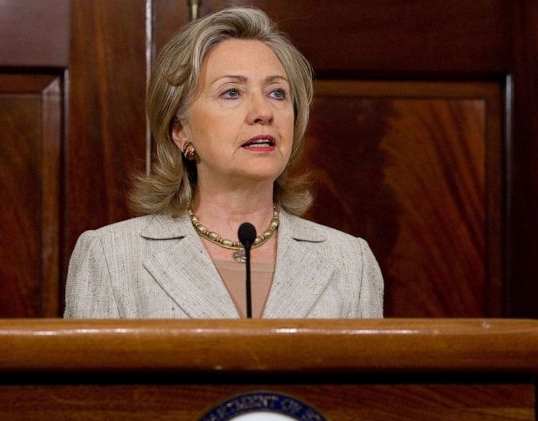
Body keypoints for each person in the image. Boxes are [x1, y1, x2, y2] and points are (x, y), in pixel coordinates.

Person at [64, 7, 383, 319]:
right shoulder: (111, 257)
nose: (264, 112)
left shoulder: (350, 262)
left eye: (277, 93)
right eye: (232, 92)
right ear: (180, 130)